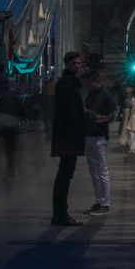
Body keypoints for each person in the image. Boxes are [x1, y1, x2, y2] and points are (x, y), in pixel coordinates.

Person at [50, 50, 87, 226]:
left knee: (66, 175)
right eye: (74, 64)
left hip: (70, 138)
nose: (77, 66)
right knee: (64, 176)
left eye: (79, 63)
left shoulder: (70, 82)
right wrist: (77, 79)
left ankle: (60, 212)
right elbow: (64, 99)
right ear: (67, 65)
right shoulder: (65, 83)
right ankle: (59, 213)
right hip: (66, 138)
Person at [82, 69, 116, 215]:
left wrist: (102, 118)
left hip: (100, 136)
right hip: (89, 136)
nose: (87, 86)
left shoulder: (105, 96)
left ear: (95, 82)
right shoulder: (90, 96)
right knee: (93, 171)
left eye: (89, 83)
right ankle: (99, 201)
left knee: (102, 169)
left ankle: (105, 203)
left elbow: (113, 115)